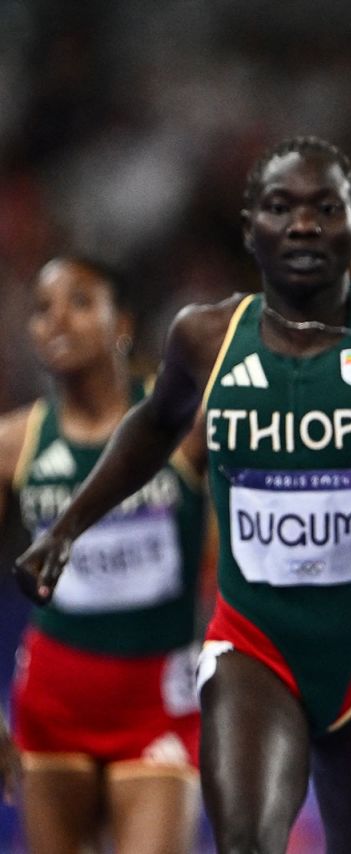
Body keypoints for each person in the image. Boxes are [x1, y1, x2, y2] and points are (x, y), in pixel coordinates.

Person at [14, 137, 351, 854]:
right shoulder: (207, 337)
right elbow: (150, 431)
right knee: (247, 843)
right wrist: (65, 529)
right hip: (253, 645)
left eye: (324, 209)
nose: (302, 225)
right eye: (281, 207)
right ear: (251, 229)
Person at [0, 256, 207, 854]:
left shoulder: (186, 425)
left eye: (81, 302)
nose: (57, 319)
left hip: (159, 697)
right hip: (53, 700)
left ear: (124, 324)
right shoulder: (18, 442)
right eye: (42, 309)